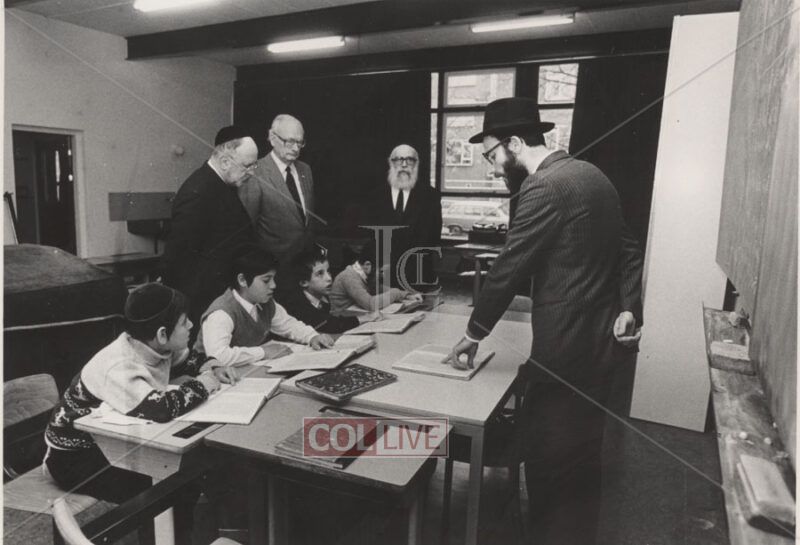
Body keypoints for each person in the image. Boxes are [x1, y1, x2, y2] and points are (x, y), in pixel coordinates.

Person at [444, 97, 644, 545]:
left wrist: (473, 333)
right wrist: (629, 307)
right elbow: (629, 251)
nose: (494, 169)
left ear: (516, 144)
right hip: (601, 356)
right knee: (581, 472)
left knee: (549, 474)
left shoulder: (543, 187)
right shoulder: (594, 176)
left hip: (563, 360)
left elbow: (508, 269)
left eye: (492, 156)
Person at [44, 283, 235, 505]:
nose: (192, 325)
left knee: (183, 475)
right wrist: (202, 385)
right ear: (162, 334)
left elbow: (188, 361)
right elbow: (159, 408)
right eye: (184, 322)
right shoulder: (120, 365)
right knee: (169, 486)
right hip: (75, 457)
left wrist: (213, 366)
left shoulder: (154, 345)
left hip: (112, 443)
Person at [161, 125, 258, 339]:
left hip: (219, 298)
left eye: (254, 165)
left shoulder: (222, 184)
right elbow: (178, 260)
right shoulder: (198, 191)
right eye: (248, 166)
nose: (252, 172)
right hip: (202, 304)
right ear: (225, 162)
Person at [194, 246, 335, 367]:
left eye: (273, 279)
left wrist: (312, 337)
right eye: (266, 280)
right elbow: (218, 356)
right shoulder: (221, 313)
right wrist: (263, 352)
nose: (273, 285)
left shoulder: (265, 302)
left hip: (246, 371)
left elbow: (288, 324)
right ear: (242, 280)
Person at [239, 114, 316, 263]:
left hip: (305, 264)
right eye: (290, 141)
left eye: (300, 142)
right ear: (273, 138)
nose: (296, 148)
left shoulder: (305, 170)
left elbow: (306, 223)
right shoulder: (255, 173)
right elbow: (246, 229)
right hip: (273, 266)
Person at [365, 144, 442, 291]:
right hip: (382, 277)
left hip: (417, 276)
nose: (404, 164)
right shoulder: (375, 196)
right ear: (390, 163)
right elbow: (371, 236)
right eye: (399, 160)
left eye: (410, 160)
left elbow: (432, 237)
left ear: (417, 163)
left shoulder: (430, 196)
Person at [277, 245, 383, 334]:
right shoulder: (296, 302)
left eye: (328, 271)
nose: (329, 278)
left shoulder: (322, 296)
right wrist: (365, 318)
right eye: (320, 274)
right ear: (304, 282)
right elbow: (326, 324)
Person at [329, 240, 411, 315]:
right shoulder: (349, 277)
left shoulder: (365, 275)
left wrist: (404, 294)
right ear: (367, 265)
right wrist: (395, 293)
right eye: (381, 271)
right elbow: (370, 304)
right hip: (342, 321)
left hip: (357, 316)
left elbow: (378, 288)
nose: (383, 275)